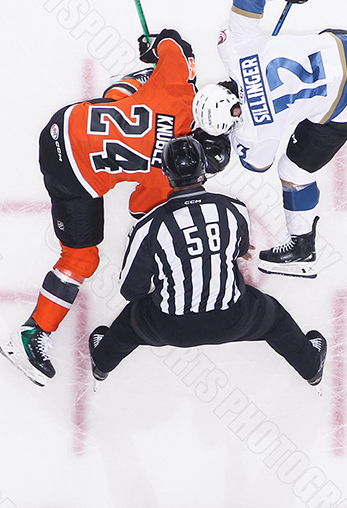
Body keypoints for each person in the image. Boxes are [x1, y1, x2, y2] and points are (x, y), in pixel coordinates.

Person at [0, 29, 201, 387]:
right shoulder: (166, 178)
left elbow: (171, 42)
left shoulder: (178, 86)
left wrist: (156, 50)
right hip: (70, 170)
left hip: (64, 123)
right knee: (82, 259)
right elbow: (140, 212)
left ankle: (136, 85)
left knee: (127, 94)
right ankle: (30, 335)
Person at [87, 136, 327, 387]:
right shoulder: (233, 209)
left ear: (166, 172)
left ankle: (101, 365)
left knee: (131, 322)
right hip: (233, 319)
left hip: (170, 327)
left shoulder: (149, 226)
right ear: (204, 167)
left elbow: (131, 291)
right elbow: (240, 249)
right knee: (274, 318)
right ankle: (311, 369)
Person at [193, 0, 347, 278]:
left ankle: (302, 248)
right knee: (315, 47)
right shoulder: (233, 50)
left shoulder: (253, 135)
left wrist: (229, 137)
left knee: (292, 170)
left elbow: (256, 164)